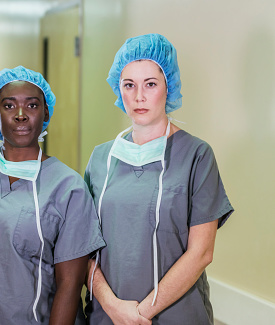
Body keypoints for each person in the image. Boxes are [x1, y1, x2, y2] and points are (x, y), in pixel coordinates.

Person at [84, 34, 234, 325]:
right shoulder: (101, 158)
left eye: (150, 84)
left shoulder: (196, 156)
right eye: (129, 85)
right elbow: (83, 247)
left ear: (168, 87)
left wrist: (140, 315)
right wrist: (113, 307)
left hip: (176, 316)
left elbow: (201, 252)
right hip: (108, 316)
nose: (139, 96)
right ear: (119, 89)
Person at [0, 66, 105, 324]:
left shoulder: (68, 187)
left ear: (46, 113)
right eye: (9, 106)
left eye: (32, 106)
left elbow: (70, 283)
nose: (20, 115)